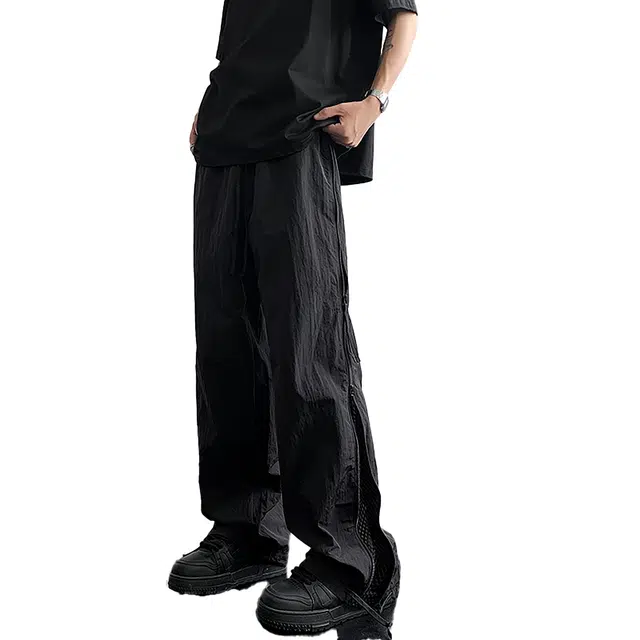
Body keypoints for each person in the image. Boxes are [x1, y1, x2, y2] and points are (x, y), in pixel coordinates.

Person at [168, 1, 418, 638]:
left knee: (308, 349)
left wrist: (374, 103)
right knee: (226, 345)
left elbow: (403, 16)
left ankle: (351, 562)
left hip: (301, 132)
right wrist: (211, 107)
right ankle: (247, 528)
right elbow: (243, 39)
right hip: (225, 135)